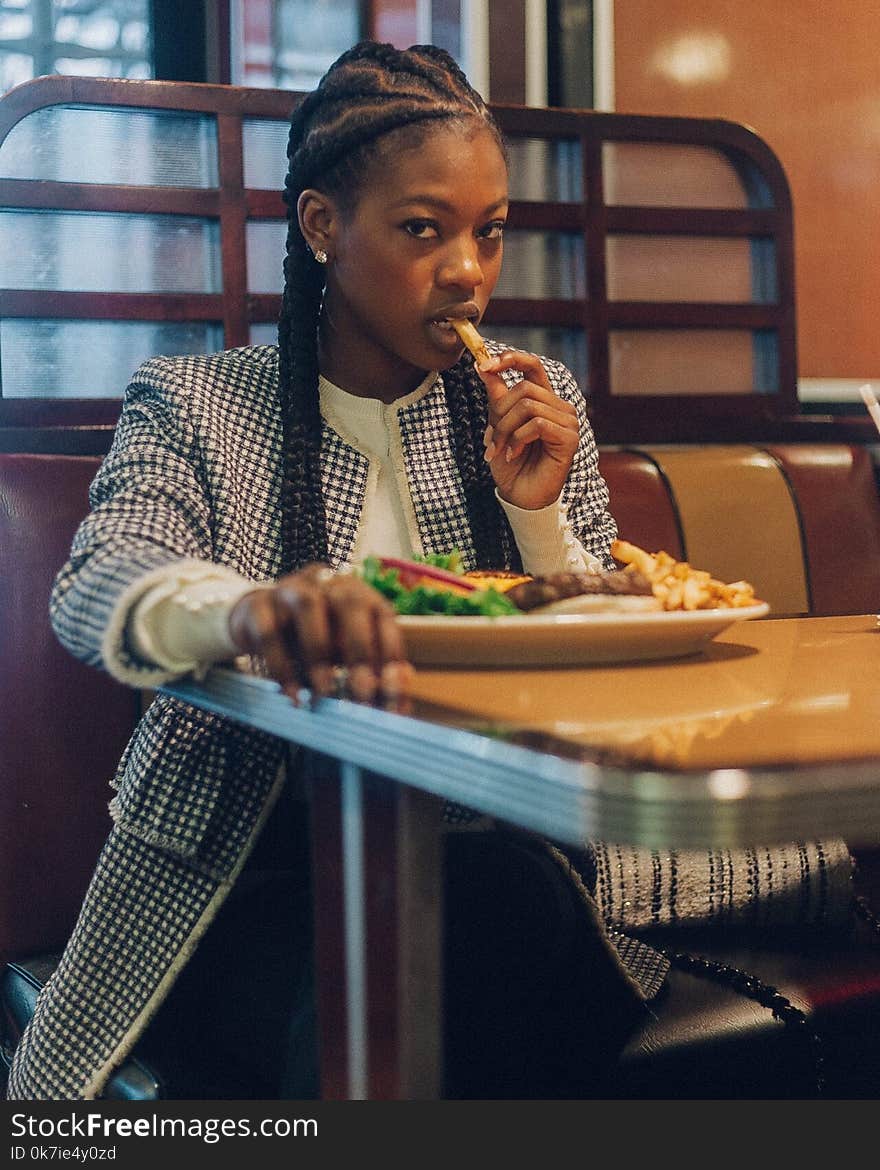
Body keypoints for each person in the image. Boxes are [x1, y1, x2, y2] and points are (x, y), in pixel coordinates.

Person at [6, 41, 855, 1102]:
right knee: (476, 932)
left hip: (511, 865)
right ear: (322, 228)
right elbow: (96, 586)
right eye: (424, 229)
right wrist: (254, 612)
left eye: (489, 233)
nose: (467, 269)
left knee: (494, 907)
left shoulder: (533, 411)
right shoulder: (199, 404)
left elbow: (607, 677)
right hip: (249, 880)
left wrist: (538, 524)